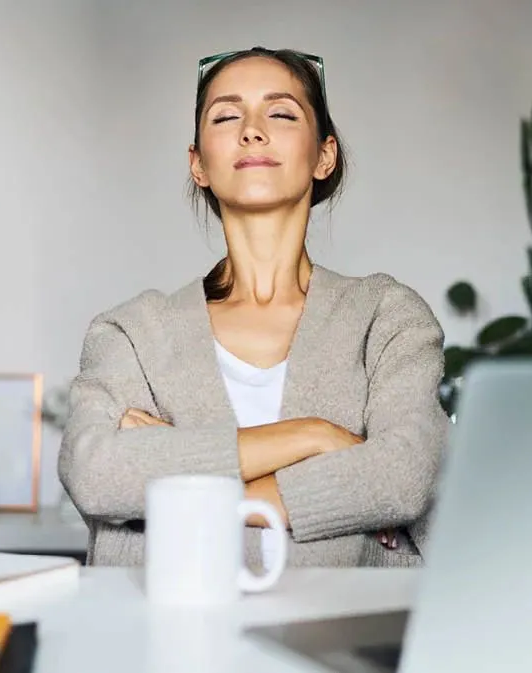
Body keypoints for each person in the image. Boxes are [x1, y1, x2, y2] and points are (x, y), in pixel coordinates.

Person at [57, 47, 449, 569]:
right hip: (161, 639)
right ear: (198, 163)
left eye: (282, 113)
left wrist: (181, 476)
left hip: (341, 638)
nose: (252, 131)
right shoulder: (129, 332)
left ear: (324, 155)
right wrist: (315, 436)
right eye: (226, 116)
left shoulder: (388, 317)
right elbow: (97, 474)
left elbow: (404, 477)